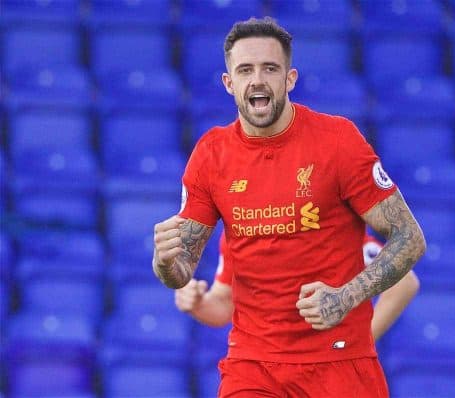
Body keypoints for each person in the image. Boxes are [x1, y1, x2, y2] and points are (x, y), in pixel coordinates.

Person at [153, 17, 426, 397]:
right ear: (229, 83)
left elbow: (410, 238)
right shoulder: (211, 155)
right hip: (253, 365)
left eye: (270, 68)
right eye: (245, 70)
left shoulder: (337, 142)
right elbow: (183, 269)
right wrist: (166, 264)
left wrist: (345, 298)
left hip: (339, 362)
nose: (258, 80)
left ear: (290, 78)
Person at [175, 232, 420, 342]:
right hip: (265, 369)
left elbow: (404, 281)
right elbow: (224, 304)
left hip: (327, 376)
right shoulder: (237, 232)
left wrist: (357, 343)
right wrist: (198, 304)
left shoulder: (326, 229)